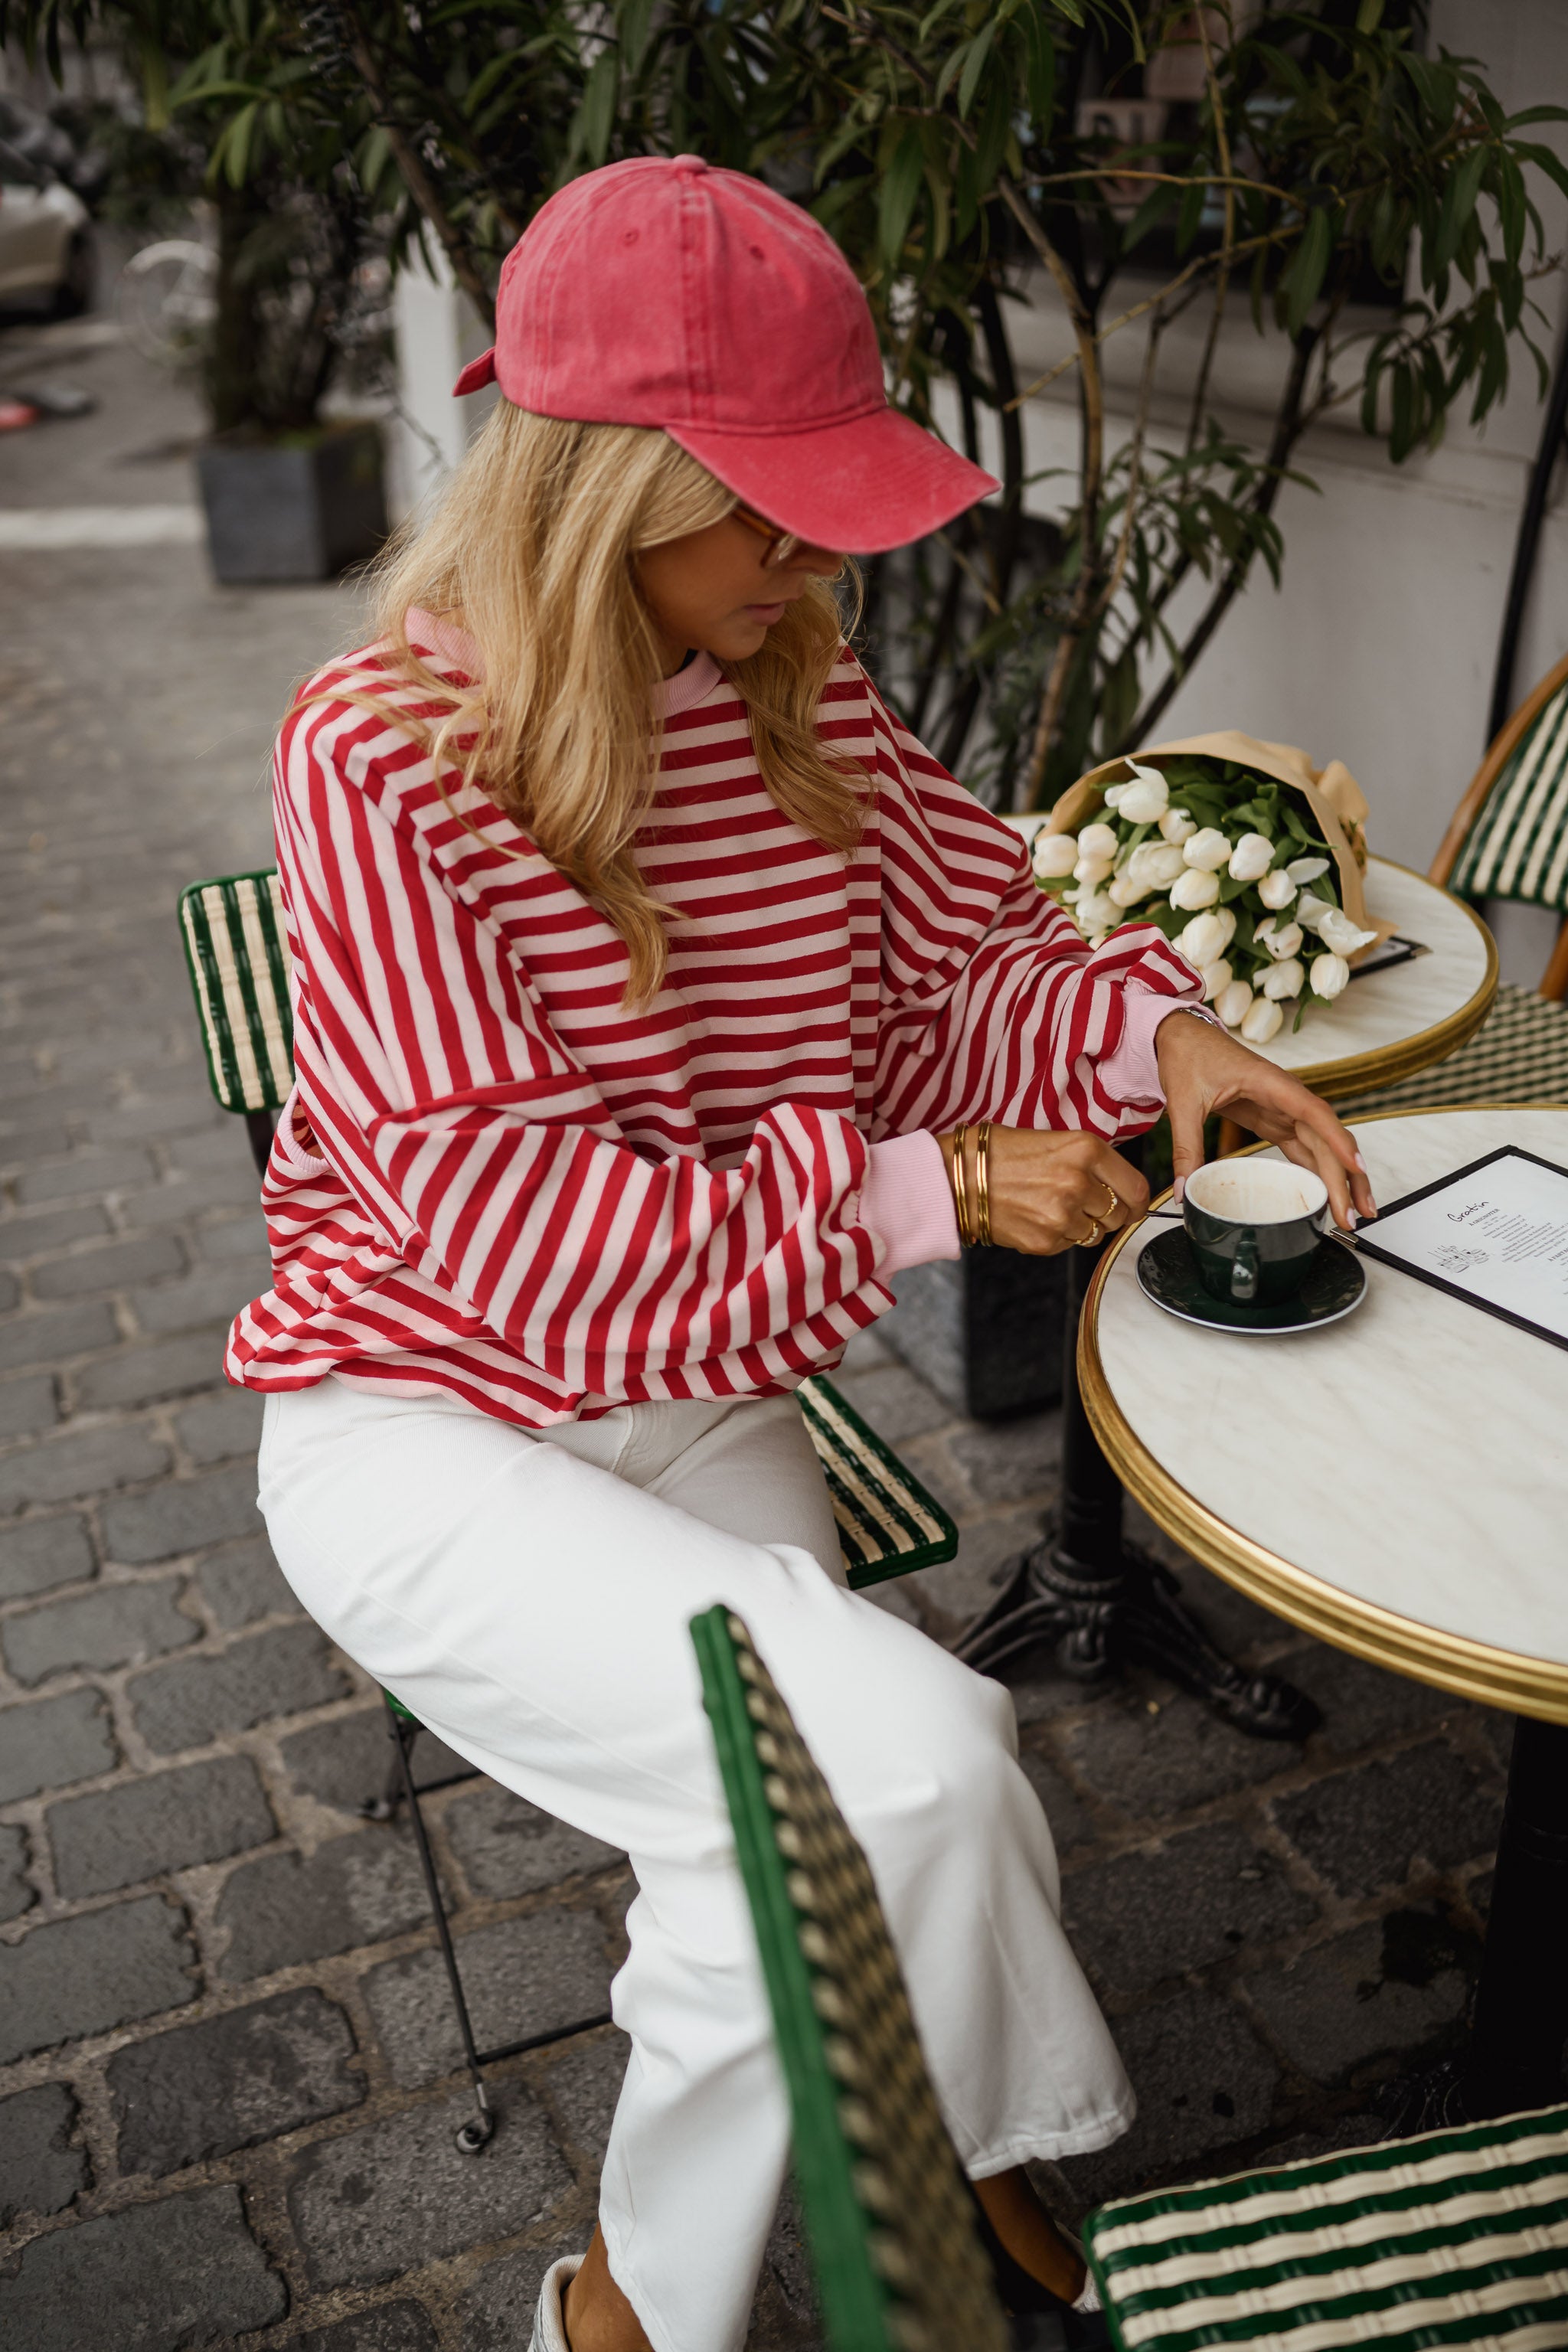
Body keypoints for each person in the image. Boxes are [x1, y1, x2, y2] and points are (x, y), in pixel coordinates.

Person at [236, 156, 1374, 2352]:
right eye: (773, 507)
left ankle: (870, 2183)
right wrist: (924, 1187)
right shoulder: (379, 752)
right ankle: (667, 2308)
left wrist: (1169, 1033)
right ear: (604, 486)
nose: (821, 551)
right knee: (919, 1760)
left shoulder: (792, 687)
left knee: (803, 1835)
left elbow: (975, 945)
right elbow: (498, 1231)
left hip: (710, 1380)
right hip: (424, 1416)